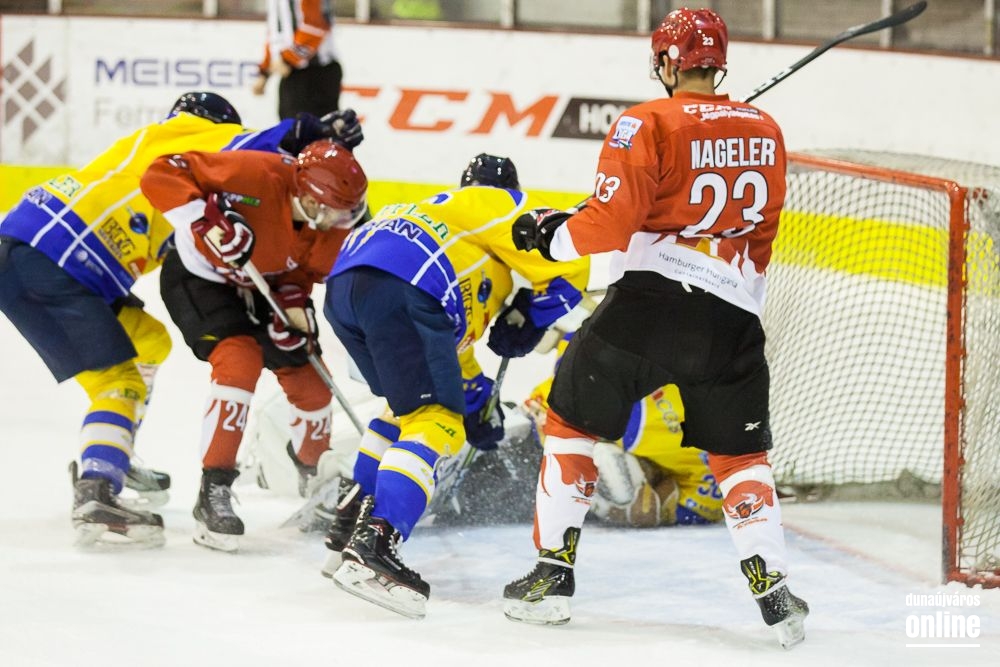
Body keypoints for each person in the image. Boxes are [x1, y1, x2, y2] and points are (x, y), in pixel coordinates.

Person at [501, 8, 810, 648]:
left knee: (570, 424)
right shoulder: (767, 129)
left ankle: (551, 578)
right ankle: (776, 593)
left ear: (667, 62)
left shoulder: (644, 121)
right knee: (740, 458)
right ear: (717, 62)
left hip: (648, 307)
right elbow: (751, 226)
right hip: (733, 317)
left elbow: (609, 226)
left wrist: (549, 233)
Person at [0, 91, 356, 547]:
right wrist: (308, 133)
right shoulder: (185, 132)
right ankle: (97, 487)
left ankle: (113, 447)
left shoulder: (156, 161)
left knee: (150, 341)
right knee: (118, 383)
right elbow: (258, 154)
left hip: (47, 254)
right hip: (57, 255)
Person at [320, 153, 591, 619]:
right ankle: (375, 545)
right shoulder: (499, 203)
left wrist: (479, 401)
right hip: (406, 282)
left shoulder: (454, 234)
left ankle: (349, 526)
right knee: (437, 421)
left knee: (406, 409)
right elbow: (572, 265)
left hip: (347, 283)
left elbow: (448, 354)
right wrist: (531, 315)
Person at [139, 139, 368, 553]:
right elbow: (161, 172)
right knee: (239, 361)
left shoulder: (334, 224)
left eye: (347, 211)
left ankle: (316, 477)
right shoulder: (255, 174)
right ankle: (214, 488)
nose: (341, 220)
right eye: (334, 209)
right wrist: (204, 220)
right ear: (308, 196)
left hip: (268, 288)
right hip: (201, 279)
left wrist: (295, 306)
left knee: (312, 382)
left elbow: (301, 275)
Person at [252, 0, 343, 120]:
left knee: (311, 129)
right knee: (290, 128)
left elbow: (315, 27)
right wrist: (265, 71)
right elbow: (277, 33)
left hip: (316, 75)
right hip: (293, 75)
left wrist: (286, 59)